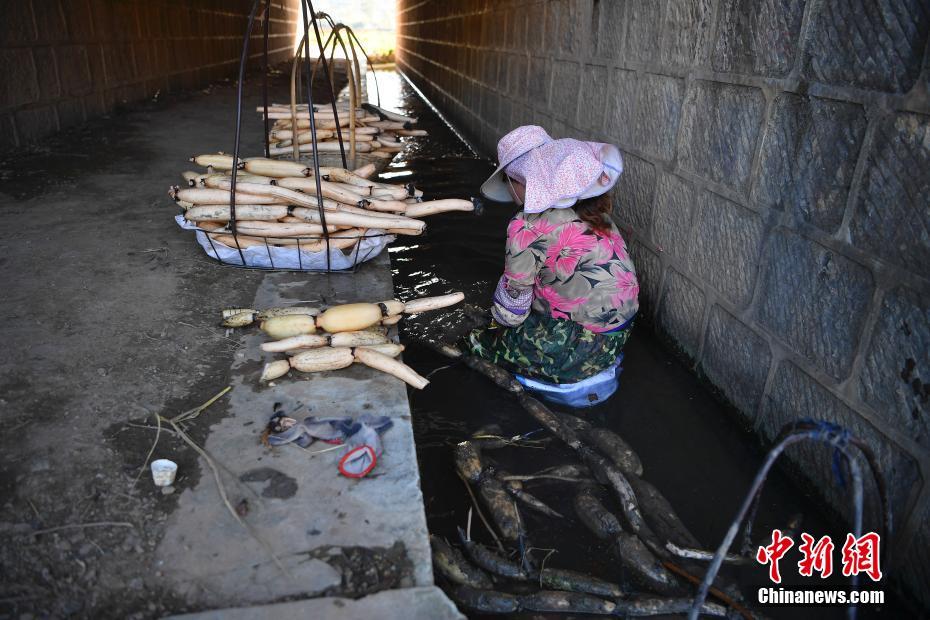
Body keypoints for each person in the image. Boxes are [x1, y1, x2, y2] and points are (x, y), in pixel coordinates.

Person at [467, 125, 639, 392]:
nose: (508, 188)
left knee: (476, 343)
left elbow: (512, 311)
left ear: (523, 182)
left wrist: (496, 330)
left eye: (508, 181)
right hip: (618, 336)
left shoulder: (526, 226)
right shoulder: (595, 213)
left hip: (576, 348)